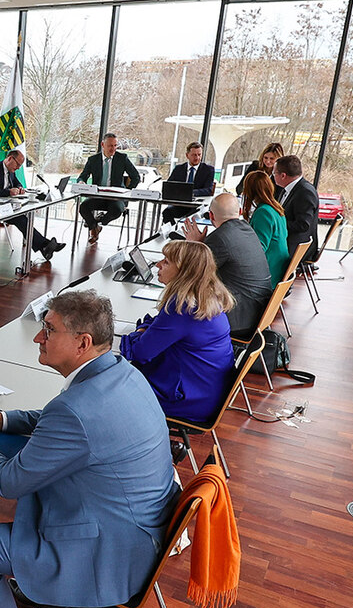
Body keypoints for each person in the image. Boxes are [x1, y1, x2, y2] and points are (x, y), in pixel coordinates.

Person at [0, 290, 179, 608]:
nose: (38, 338)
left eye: (48, 330)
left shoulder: (76, 409)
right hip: (136, 531)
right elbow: (66, 423)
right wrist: (1, 419)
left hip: (108, 555)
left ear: (82, 343)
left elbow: (10, 481)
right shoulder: (123, 373)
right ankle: (51, 600)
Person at [119, 240, 235, 423]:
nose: (158, 264)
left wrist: (141, 331)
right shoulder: (207, 297)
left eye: (166, 262)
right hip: (208, 390)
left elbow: (140, 353)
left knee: (110, 386)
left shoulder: (183, 308)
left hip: (188, 401)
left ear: (184, 272)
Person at [184, 191, 274, 334]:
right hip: (260, 309)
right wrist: (203, 245)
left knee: (184, 316)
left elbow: (192, 272)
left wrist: (196, 246)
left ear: (211, 216)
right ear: (239, 212)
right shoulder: (247, 229)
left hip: (241, 316)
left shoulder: (219, 238)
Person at [0, 148, 63, 259]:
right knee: (20, 219)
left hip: (3, 206)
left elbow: (18, 183)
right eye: (17, 164)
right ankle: (44, 245)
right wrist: (8, 192)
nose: (18, 168)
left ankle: (44, 246)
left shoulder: (10, 171)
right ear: (10, 159)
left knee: (22, 217)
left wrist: (19, 188)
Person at [75, 133, 142, 243]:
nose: (113, 148)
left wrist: (128, 191)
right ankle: (94, 227)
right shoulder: (93, 160)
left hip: (116, 197)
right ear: (103, 145)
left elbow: (136, 177)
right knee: (83, 207)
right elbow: (83, 176)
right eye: (110, 146)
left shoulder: (122, 158)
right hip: (98, 196)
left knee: (116, 210)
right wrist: (81, 182)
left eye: (115, 145)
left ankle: (99, 225)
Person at [241, 169, 291, 284]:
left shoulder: (263, 213)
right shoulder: (276, 208)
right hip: (278, 269)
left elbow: (259, 249)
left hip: (269, 274)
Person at [273, 153, 321, 265]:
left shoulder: (305, 192)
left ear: (283, 176)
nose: (273, 176)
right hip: (287, 240)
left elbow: (303, 225)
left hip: (296, 246)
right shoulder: (288, 188)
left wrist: (278, 225)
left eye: (274, 173)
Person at [163, 141, 216, 222]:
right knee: (167, 212)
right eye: (194, 155)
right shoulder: (178, 169)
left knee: (193, 216)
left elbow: (209, 189)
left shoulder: (208, 170)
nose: (197, 158)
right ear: (187, 155)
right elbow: (169, 186)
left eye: (199, 155)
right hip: (180, 204)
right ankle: (173, 233)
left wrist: (192, 192)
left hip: (196, 206)